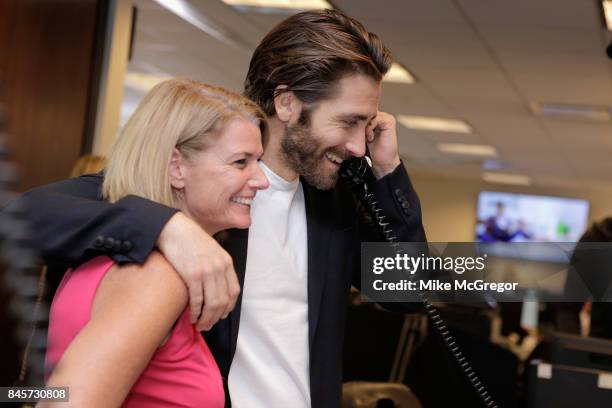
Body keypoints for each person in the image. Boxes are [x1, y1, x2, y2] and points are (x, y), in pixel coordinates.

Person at [12, 9, 426, 407]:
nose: (358, 146)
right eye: (347, 122)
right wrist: (169, 227)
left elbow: (414, 292)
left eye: (365, 124)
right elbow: (26, 215)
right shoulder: (196, 194)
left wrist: (389, 171)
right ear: (286, 104)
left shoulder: (334, 205)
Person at [40, 78, 269, 407]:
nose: (261, 180)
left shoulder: (117, 255)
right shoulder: (157, 275)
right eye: (240, 162)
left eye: (258, 161)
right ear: (177, 167)